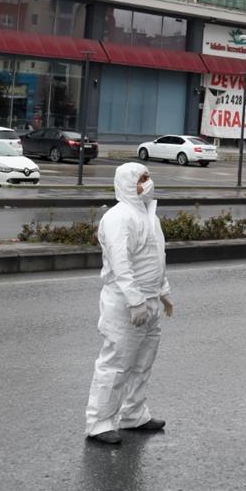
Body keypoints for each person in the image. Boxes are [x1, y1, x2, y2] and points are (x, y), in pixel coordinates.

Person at [85, 161, 175, 445]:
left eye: (148, 177)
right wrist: (135, 301)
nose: (147, 183)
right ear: (126, 183)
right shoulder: (118, 217)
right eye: (141, 179)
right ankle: (99, 423)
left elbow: (156, 259)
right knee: (116, 363)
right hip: (124, 304)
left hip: (149, 302)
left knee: (142, 361)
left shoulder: (150, 215)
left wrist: (163, 292)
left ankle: (133, 414)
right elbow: (120, 264)